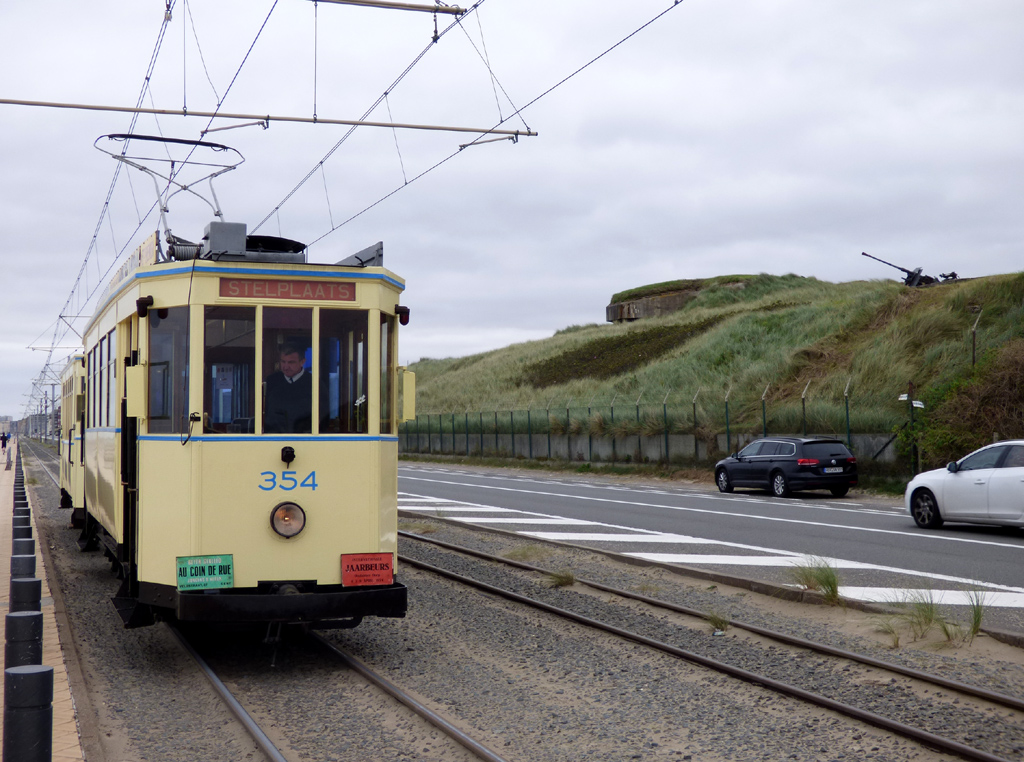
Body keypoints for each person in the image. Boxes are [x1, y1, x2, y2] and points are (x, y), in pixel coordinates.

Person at [264, 344, 313, 433]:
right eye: (283, 362)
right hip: (273, 438)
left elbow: (322, 419)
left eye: (291, 362)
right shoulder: (272, 381)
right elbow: (266, 412)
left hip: (305, 440)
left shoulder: (314, 383)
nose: (286, 367)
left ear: (302, 362)